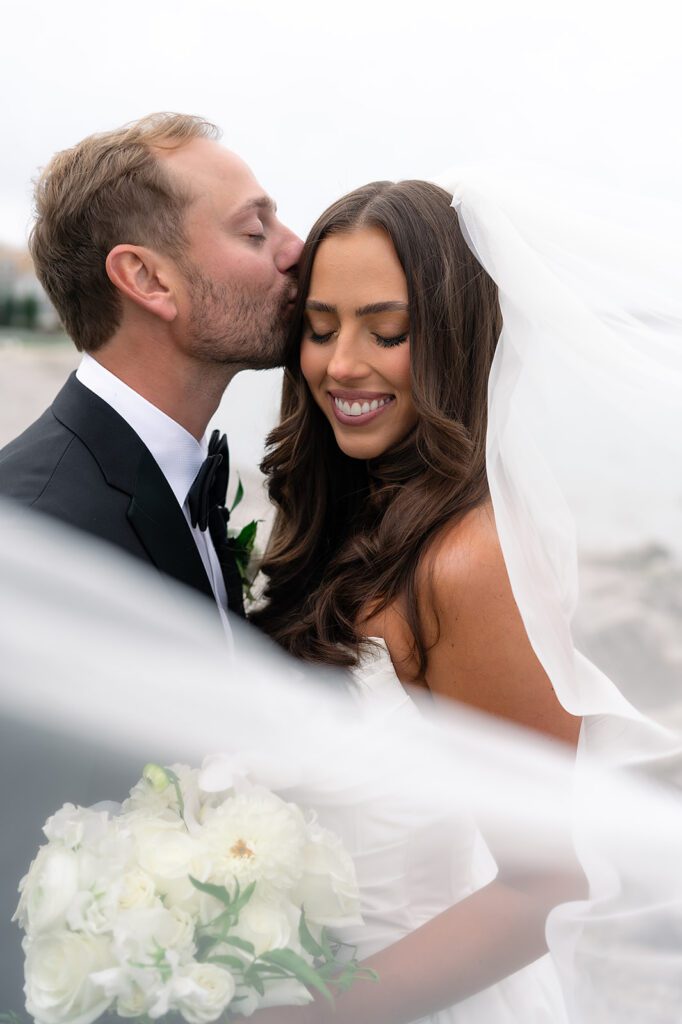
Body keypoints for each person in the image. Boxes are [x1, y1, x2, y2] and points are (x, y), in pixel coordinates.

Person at [246, 180, 582, 1022]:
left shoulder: (472, 564)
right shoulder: (341, 516)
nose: (342, 363)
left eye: (387, 332)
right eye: (320, 329)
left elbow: (545, 887)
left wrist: (312, 1016)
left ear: (456, 341)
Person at [0, 112, 302, 628]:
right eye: (254, 232)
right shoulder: (34, 541)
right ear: (147, 279)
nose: (296, 248)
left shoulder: (180, 478)